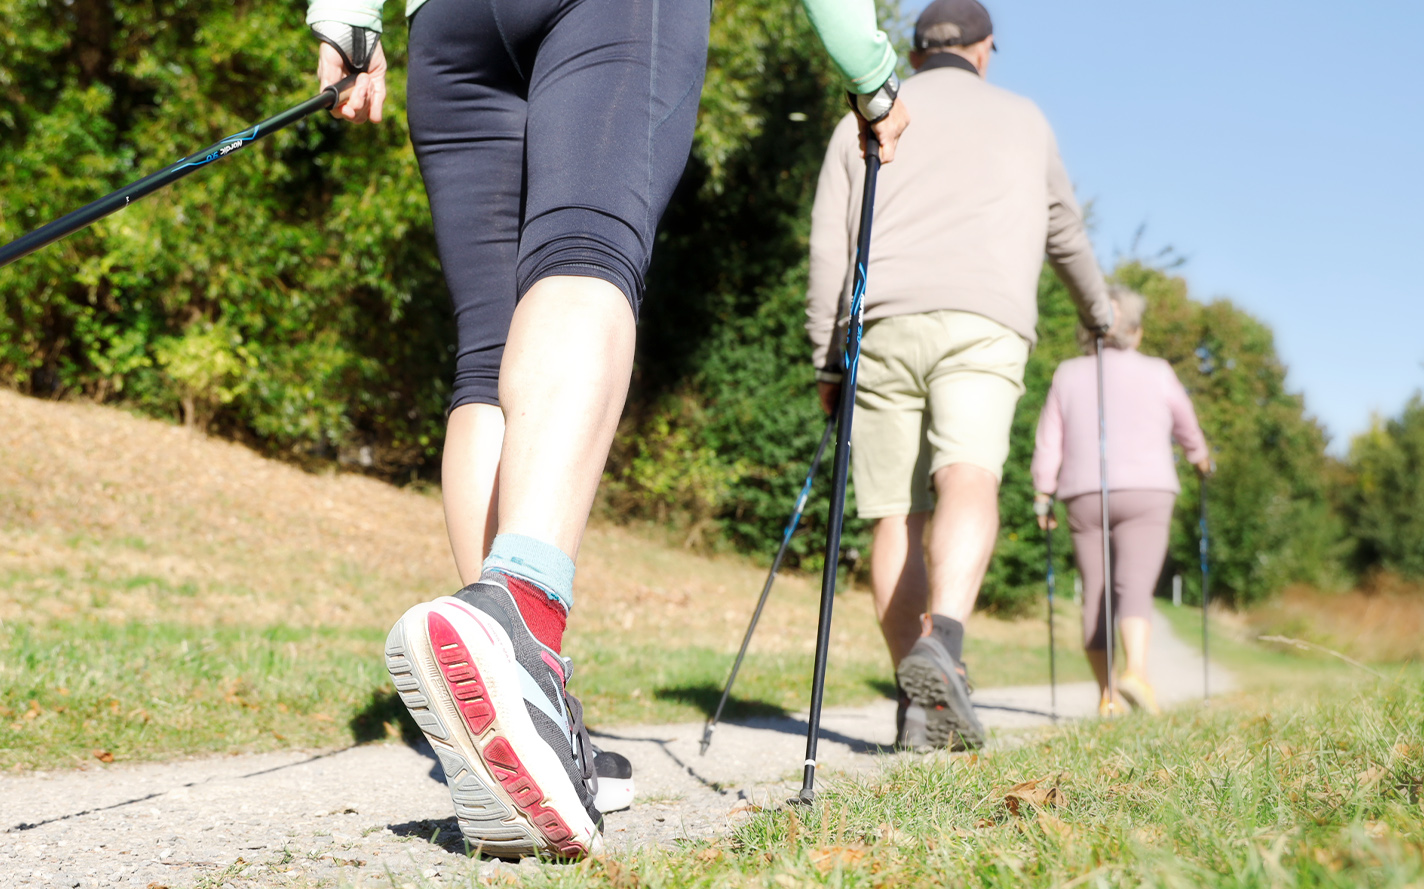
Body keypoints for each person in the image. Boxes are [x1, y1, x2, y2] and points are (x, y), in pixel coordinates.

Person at [306, 0, 910, 860]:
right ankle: (520, 623)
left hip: (448, 24)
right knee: (585, 252)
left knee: (487, 346)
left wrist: (346, 20)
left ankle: (522, 682)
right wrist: (874, 78)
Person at [804, 0, 1112, 752]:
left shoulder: (866, 116)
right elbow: (1063, 231)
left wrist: (825, 354)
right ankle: (943, 643)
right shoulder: (1024, 117)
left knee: (893, 516)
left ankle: (921, 704)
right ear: (984, 49)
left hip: (882, 323)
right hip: (985, 320)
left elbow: (828, 245)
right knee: (967, 476)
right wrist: (1098, 313)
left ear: (912, 53)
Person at [1031, 286, 1210, 716]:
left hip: (1083, 493)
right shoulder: (1158, 371)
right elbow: (1186, 423)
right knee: (1133, 585)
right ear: (1136, 332)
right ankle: (1136, 674)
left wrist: (1043, 492)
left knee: (1096, 592)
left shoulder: (1067, 373)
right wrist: (1199, 457)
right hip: (1148, 491)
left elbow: (1049, 439)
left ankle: (1107, 696)